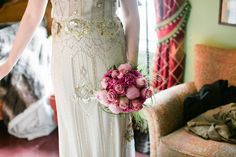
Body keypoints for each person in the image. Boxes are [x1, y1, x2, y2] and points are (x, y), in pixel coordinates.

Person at [0, 0, 140, 156]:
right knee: (74, 131)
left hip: (108, 60)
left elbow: (131, 15)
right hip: (66, 61)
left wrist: (130, 70)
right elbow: (32, 15)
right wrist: (9, 62)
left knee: (110, 128)